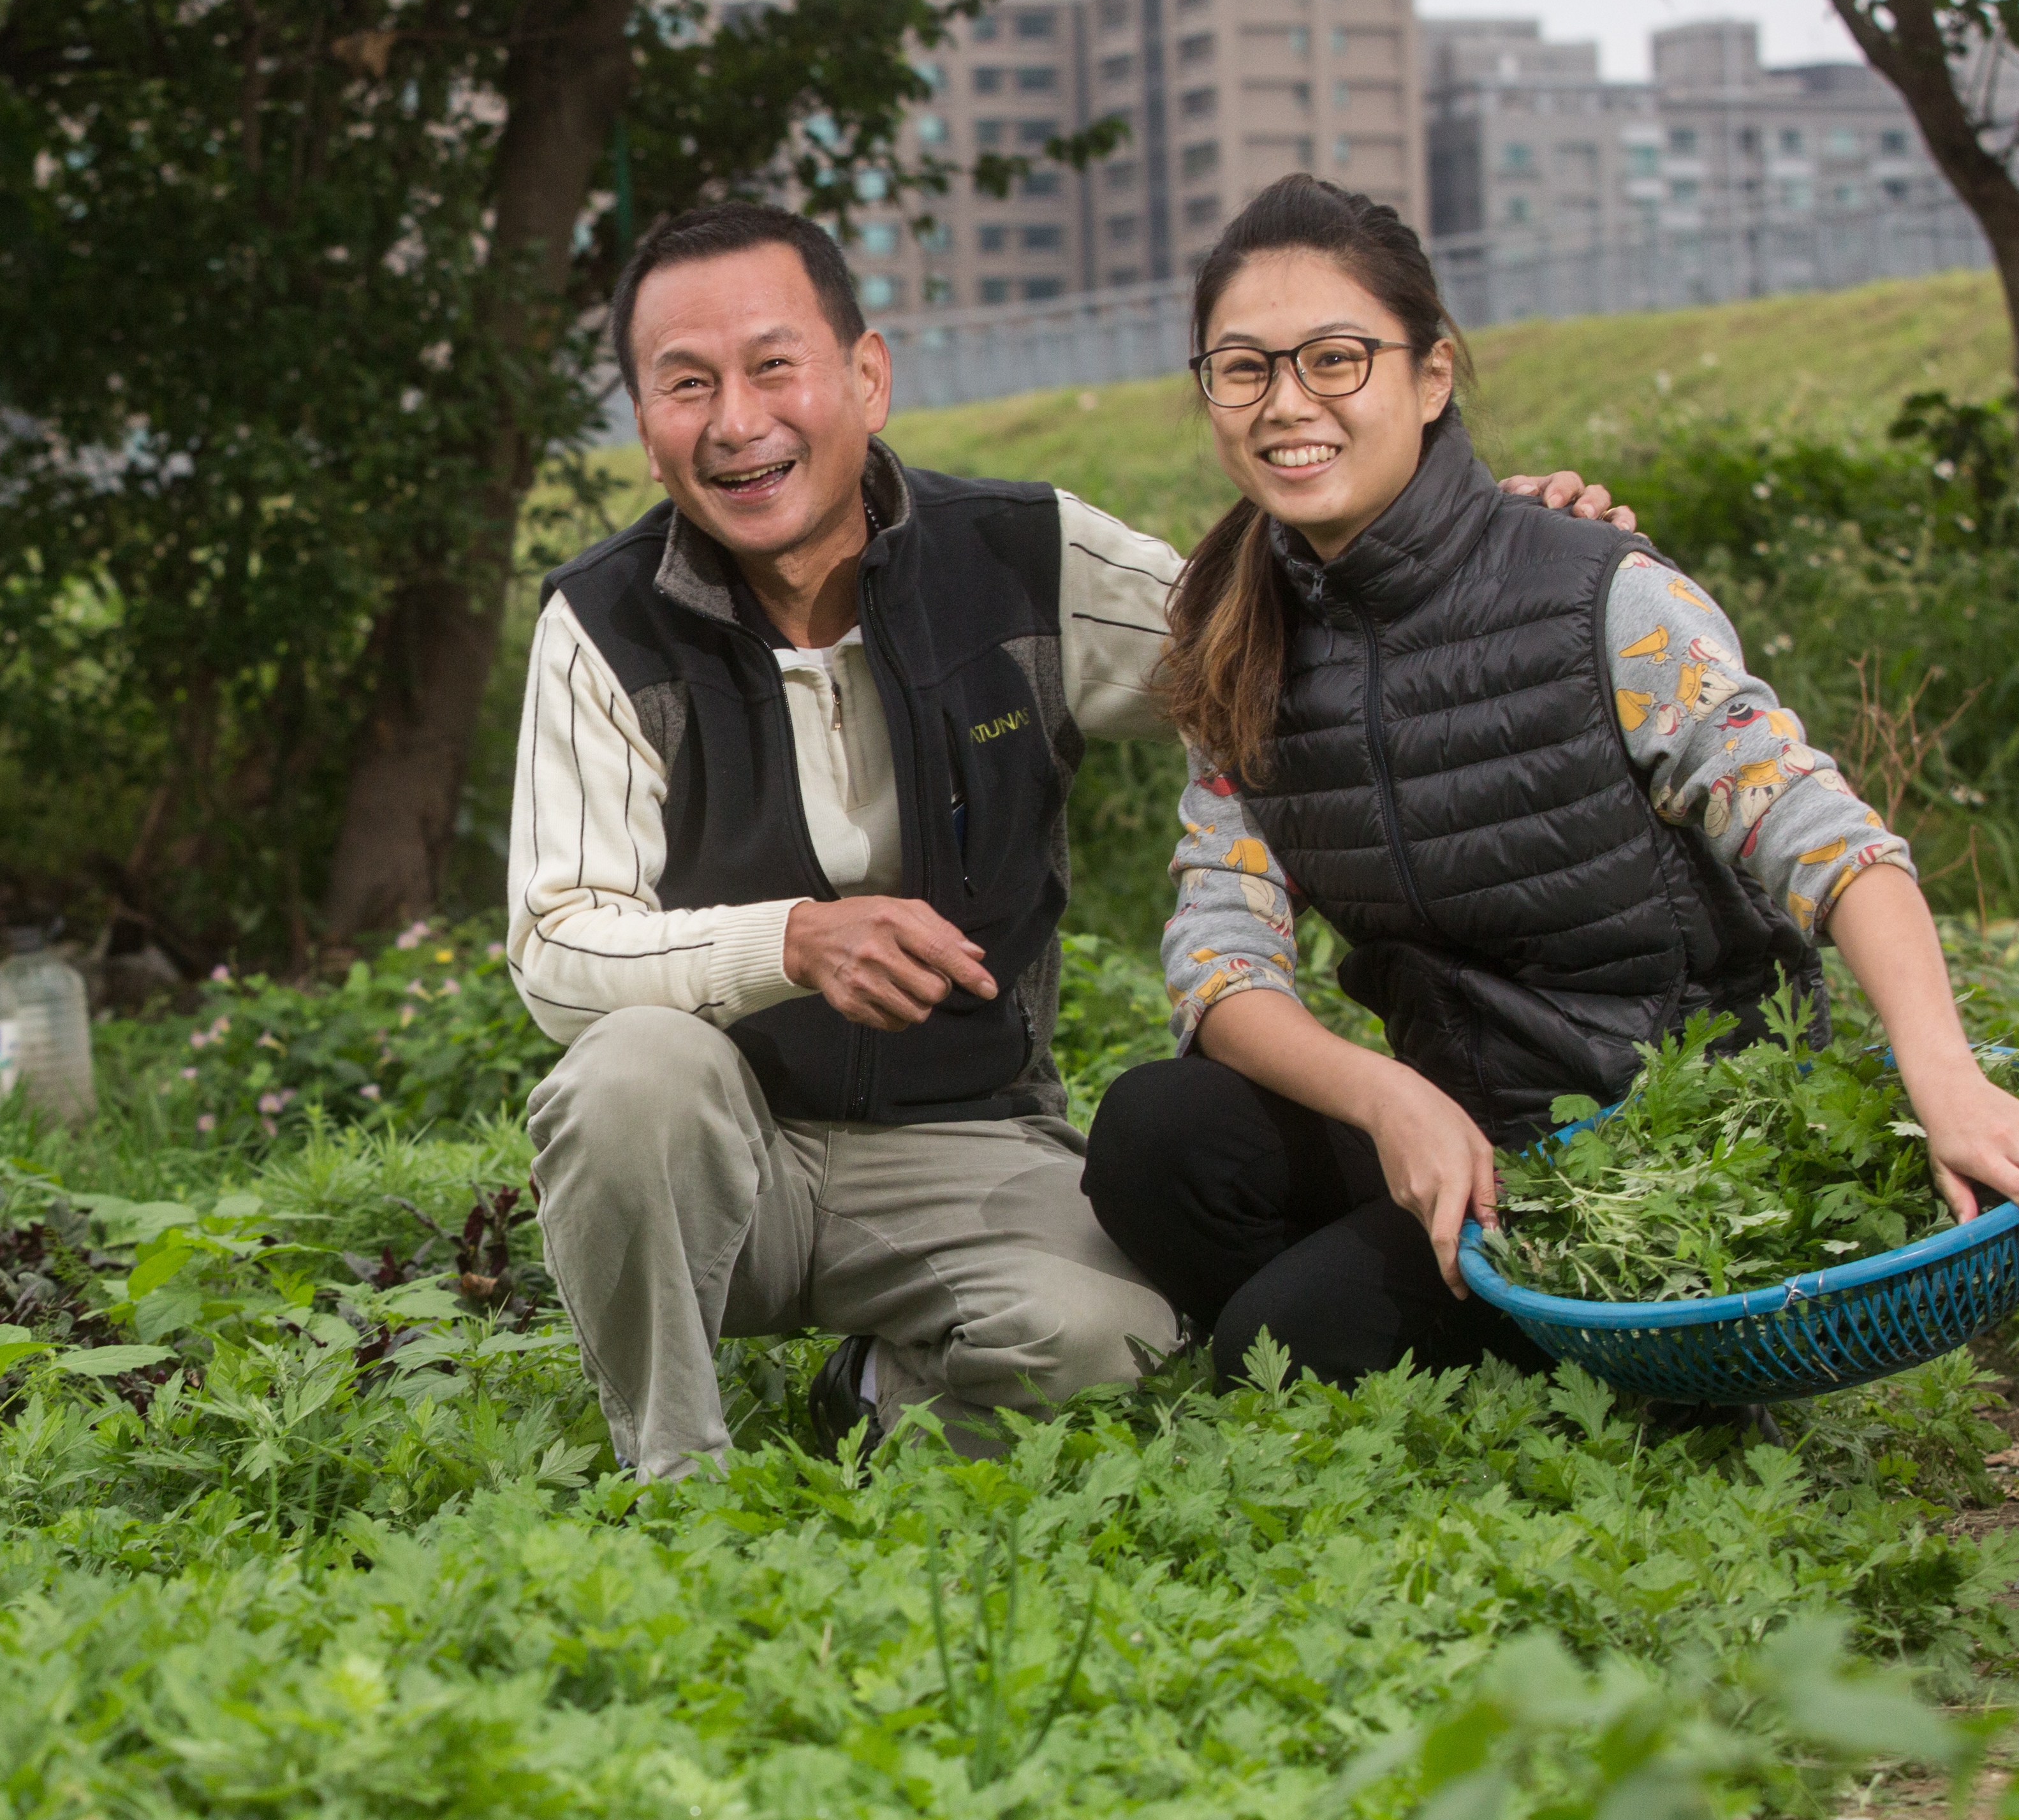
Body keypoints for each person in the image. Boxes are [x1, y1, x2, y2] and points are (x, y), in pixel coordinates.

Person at [514, 201, 1635, 1479]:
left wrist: (1509, 548)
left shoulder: (1022, 555)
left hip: (970, 1140)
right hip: (721, 1160)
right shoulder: (601, 625)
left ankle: (875, 1387)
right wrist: (794, 941)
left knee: (1122, 1347)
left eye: (776, 366)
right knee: (629, 1076)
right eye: (686, 385)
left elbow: (1281, 644)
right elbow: (557, 950)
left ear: (866, 377)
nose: (738, 420)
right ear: (647, 430)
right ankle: (676, 1474)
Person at [1082, 175, 2019, 1386]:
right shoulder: (1241, 635)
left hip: (1660, 1138)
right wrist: (1388, 1100)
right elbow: (1221, 959)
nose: (1287, 403)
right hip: (1461, 1126)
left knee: (1282, 1345)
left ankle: (1610, 1356)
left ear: (1432, 376)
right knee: (1156, 1134)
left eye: (1336, 359)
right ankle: (1460, 1320)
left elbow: (1822, 836)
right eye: (1243, 369)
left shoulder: (1594, 593)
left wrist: (1949, 1080)